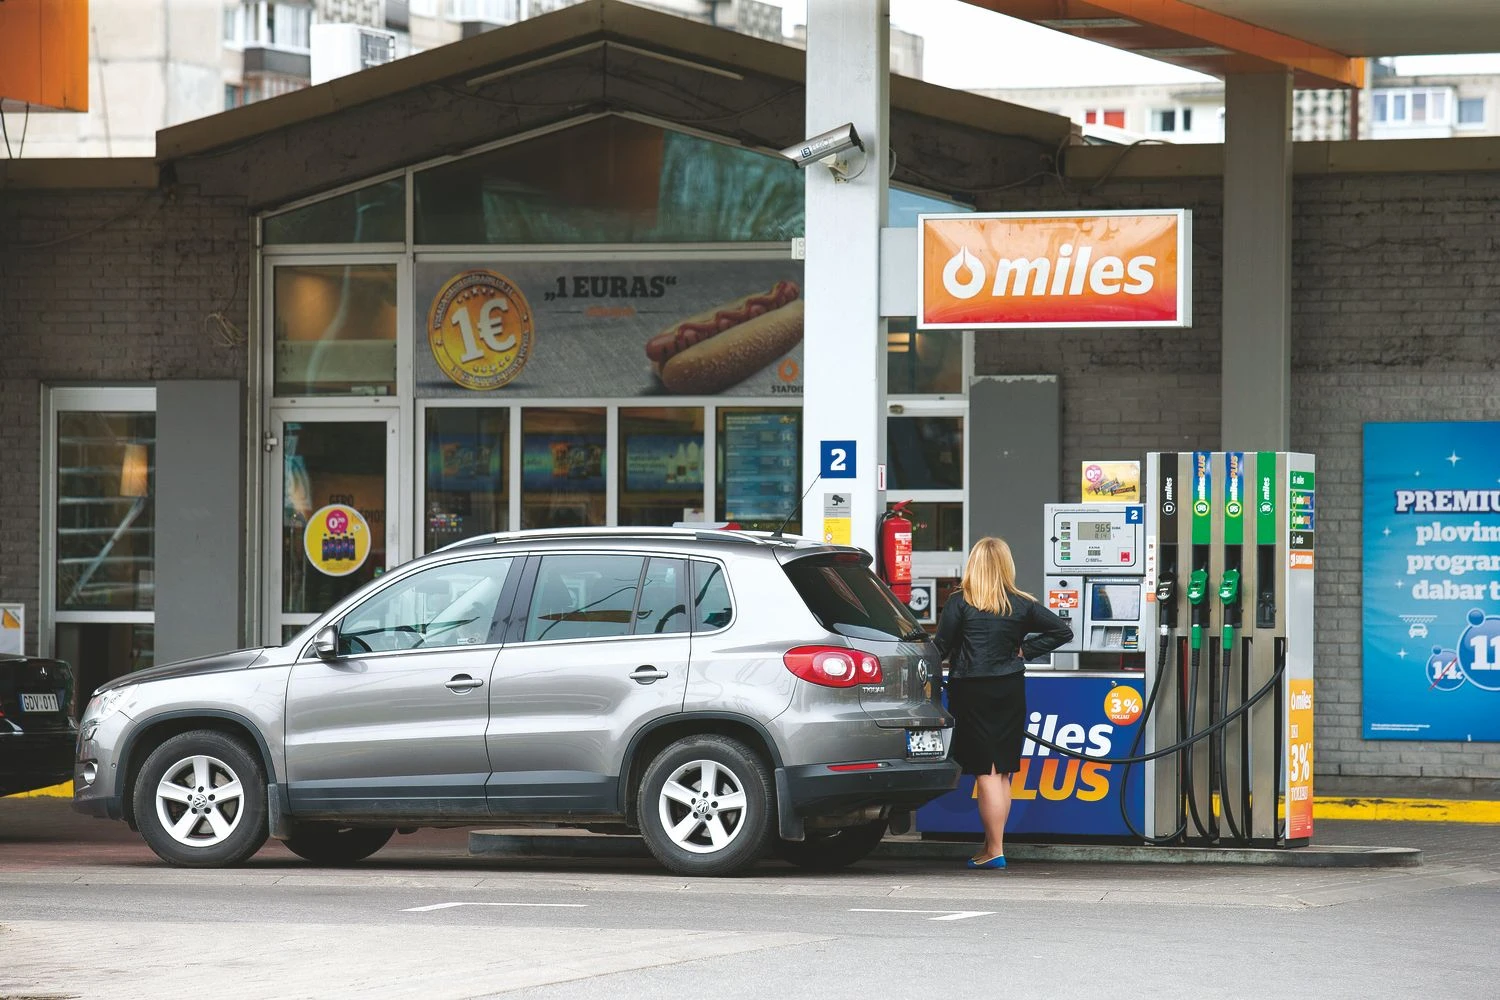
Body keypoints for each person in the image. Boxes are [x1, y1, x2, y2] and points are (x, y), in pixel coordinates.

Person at [934, 537, 1073, 870]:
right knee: (1003, 771)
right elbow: (1061, 631)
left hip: (971, 690)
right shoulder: (1020, 603)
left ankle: (994, 850)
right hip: (1009, 688)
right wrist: (1025, 651)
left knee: (987, 771)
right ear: (1006, 566)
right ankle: (991, 846)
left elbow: (940, 646)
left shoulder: (959, 602)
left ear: (974, 565)